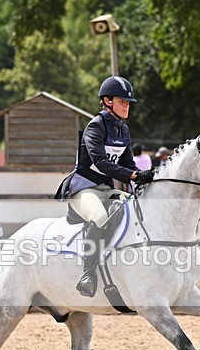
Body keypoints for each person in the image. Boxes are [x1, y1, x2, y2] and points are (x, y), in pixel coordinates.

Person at [54, 76, 154, 297]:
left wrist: (144, 179)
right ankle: (88, 274)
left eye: (128, 103)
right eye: (123, 101)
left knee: (136, 208)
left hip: (106, 189)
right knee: (101, 217)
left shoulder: (123, 130)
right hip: (83, 188)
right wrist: (134, 174)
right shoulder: (95, 127)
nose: (127, 106)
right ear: (107, 101)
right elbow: (101, 162)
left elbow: (128, 164)